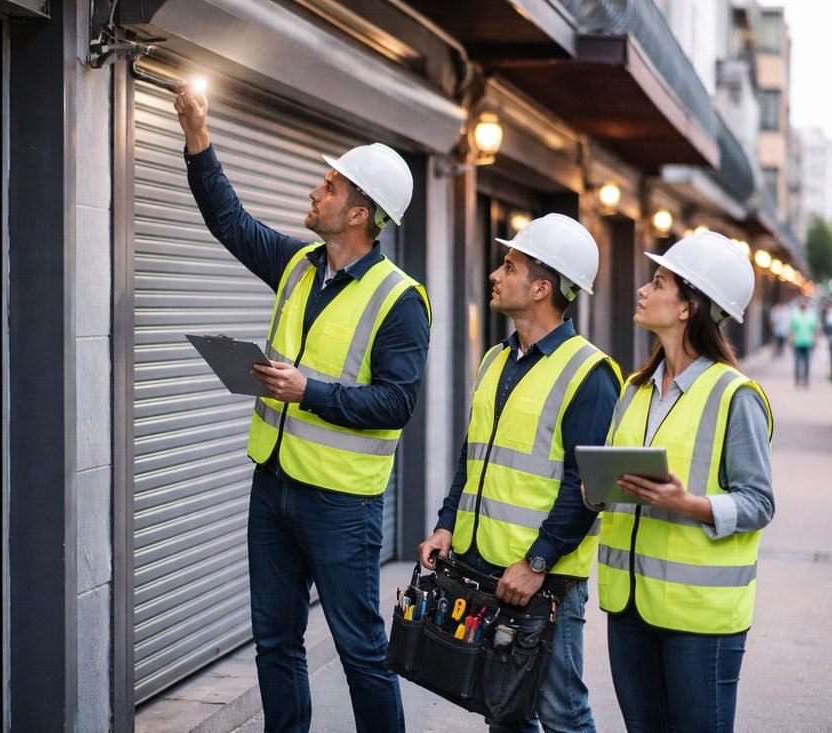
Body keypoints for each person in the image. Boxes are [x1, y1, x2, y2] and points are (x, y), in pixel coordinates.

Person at [174, 89, 431, 733]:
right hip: (274, 483)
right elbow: (228, 222)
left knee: (361, 652)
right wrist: (197, 134)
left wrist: (306, 390)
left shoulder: (399, 300)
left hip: (341, 505)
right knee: (276, 644)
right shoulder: (297, 265)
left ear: (359, 214)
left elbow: (397, 404)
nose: (315, 192)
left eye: (329, 186)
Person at [418, 214, 620, 733]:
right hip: (483, 562)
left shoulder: (589, 374)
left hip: (543, 579)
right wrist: (446, 524)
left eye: (509, 265)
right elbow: (473, 457)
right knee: (501, 707)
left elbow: (588, 487)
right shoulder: (495, 359)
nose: (494, 274)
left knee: (561, 711)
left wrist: (537, 561)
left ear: (541, 287)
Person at [596, 231, 774, 732]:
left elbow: (759, 502)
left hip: (700, 619)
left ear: (687, 307)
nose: (642, 291)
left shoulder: (734, 396)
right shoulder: (634, 389)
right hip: (629, 604)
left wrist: (691, 505)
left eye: (657, 283)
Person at [789, 298, 819, 387]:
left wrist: (816, 340)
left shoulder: (811, 314)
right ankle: (797, 379)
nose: (803, 304)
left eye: (805, 302)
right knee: (797, 362)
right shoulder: (795, 314)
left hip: (808, 342)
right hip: (797, 342)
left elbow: (814, 329)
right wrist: (791, 340)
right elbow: (792, 329)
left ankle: (806, 379)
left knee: (807, 362)